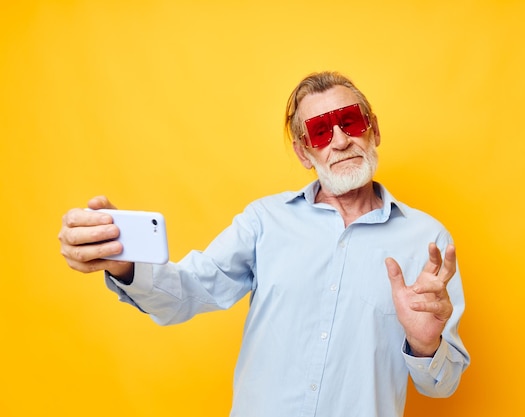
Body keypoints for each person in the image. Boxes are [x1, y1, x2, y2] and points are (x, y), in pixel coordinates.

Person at [59, 71, 470, 417]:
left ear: (374, 129)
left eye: (351, 121)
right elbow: (188, 292)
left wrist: (425, 343)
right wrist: (124, 262)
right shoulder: (265, 221)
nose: (341, 140)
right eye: (321, 131)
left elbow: (443, 385)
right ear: (304, 153)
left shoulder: (428, 241)